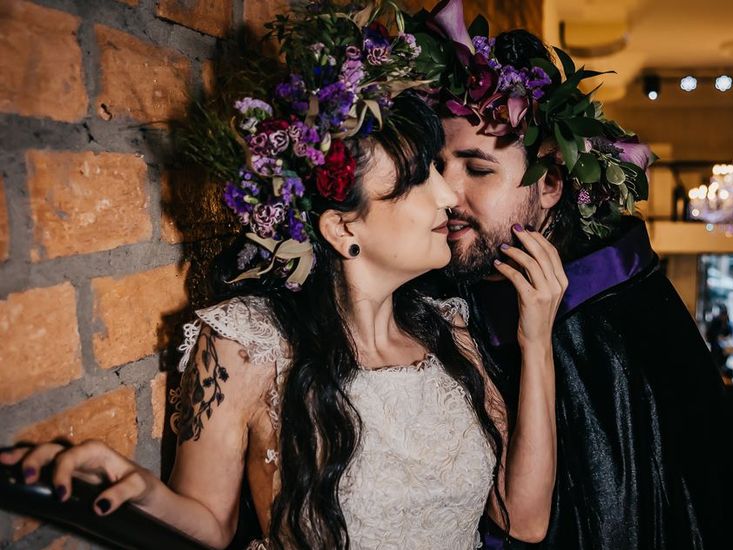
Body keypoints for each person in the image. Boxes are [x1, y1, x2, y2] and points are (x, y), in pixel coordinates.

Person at [0, 3, 566, 548]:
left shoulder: (449, 332)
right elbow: (207, 524)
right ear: (344, 228)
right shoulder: (245, 346)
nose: (448, 197)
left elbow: (526, 519)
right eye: (419, 180)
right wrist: (132, 487)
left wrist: (535, 340)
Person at [411, 1, 733, 548]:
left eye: (478, 169)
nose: (447, 195)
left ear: (550, 185)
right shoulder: (434, 288)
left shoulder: (612, 320)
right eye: (438, 168)